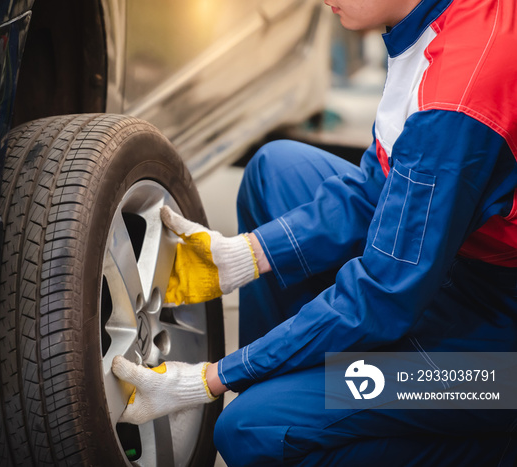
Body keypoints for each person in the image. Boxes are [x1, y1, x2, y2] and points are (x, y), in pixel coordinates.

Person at [111, 0, 517, 465]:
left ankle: (495, 442)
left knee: (252, 430)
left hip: (495, 361)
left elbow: (382, 297)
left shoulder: (459, 98)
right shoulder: (433, 22)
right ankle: (293, 385)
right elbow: (382, 186)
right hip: (453, 270)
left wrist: (213, 378)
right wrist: (248, 254)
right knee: (277, 173)